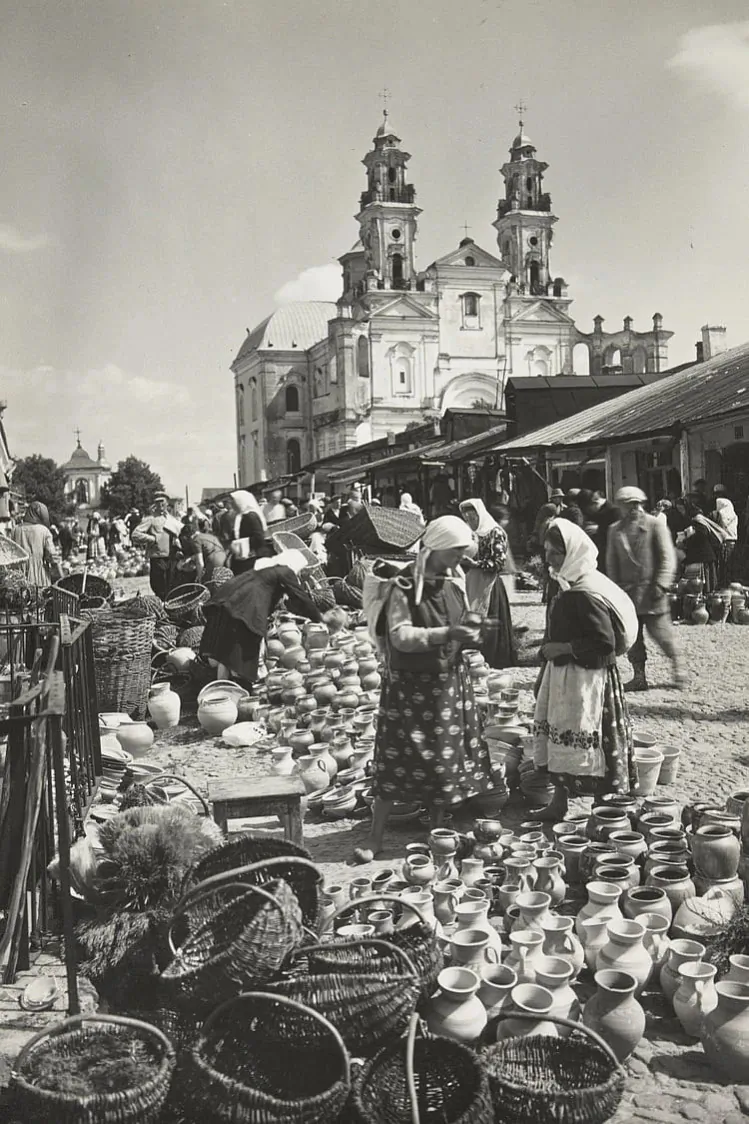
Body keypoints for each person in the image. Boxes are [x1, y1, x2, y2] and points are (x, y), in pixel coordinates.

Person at [355, 516, 495, 863]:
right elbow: (401, 636)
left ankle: (434, 830)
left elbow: (459, 627)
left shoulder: (452, 582)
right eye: (456, 552)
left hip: (447, 685)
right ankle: (375, 837)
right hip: (409, 687)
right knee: (394, 761)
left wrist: (472, 631)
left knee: (441, 763)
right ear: (437, 548)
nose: (460, 559)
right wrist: (446, 634)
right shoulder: (404, 586)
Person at [530, 520, 638, 820]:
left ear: (572, 552)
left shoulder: (585, 592)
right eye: (547, 551)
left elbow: (605, 643)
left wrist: (564, 649)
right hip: (565, 676)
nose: (549, 558)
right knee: (560, 736)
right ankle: (559, 803)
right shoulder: (568, 581)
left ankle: (601, 810)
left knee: (594, 742)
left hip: (589, 680)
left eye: (556, 552)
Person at [200, 550, 322, 686]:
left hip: (226, 604)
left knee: (226, 654)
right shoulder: (284, 571)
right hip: (242, 611)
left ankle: (221, 690)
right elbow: (300, 596)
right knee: (242, 654)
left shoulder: (264, 570)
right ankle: (249, 686)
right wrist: (319, 618)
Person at [606, 486, 685, 691]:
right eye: (628, 504)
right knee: (632, 638)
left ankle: (679, 670)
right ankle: (639, 676)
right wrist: (614, 593)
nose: (633, 508)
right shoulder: (615, 530)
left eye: (637, 504)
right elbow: (611, 563)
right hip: (627, 595)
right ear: (620, 506)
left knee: (662, 635)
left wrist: (661, 584)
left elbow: (668, 558)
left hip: (652, 592)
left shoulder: (655, 525)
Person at [459, 498, 517, 668]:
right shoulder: (470, 534)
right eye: (467, 519)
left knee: (489, 619)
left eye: (473, 518)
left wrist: (475, 564)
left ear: (480, 515)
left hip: (489, 585)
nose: (470, 522)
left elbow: (498, 562)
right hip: (472, 582)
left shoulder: (495, 532)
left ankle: (490, 659)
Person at [131, 494, 181, 599]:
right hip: (158, 557)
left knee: (172, 586)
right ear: (155, 504)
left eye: (163, 501)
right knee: (159, 585)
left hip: (172, 557)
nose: (161, 504)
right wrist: (152, 539)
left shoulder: (172, 519)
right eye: (158, 502)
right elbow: (135, 534)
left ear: (167, 503)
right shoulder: (150, 519)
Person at [12, 502, 62, 587]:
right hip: (39, 578)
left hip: (19, 579)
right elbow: (52, 557)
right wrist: (62, 577)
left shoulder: (15, 530)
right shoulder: (44, 531)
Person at [680, 502, 720, 594]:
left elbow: (702, 535)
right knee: (706, 581)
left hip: (704, 557)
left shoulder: (697, 521)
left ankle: (707, 599)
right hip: (705, 555)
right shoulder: (700, 520)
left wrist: (687, 540)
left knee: (705, 582)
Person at [228, 489, 271, 574]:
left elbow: (259, 538)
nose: (231, 504)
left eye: (234, 501)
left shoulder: (251, 516)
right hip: (243, 558)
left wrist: (241, 543)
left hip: (252, 559)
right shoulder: (240, 516)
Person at [580, 490, 620, 574]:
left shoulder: (614, 511)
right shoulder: (599, 512)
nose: (589, 513)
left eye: (589, 510)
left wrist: (598, 529)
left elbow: (617, 533)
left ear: (594, 503)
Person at [186, 517, 228, 582]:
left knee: (207, 584)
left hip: (214, 564)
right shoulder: (210, 536)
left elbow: (200, 563)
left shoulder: (196, 540)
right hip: (225, 561)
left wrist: (200, 580)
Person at [713, 491, 738, 585]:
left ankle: (723, 582)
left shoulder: (720, 514)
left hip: (725, 540)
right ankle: (728, 580)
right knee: (729, 562)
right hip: (733, 540)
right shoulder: (734, 514)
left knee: (723, 562)